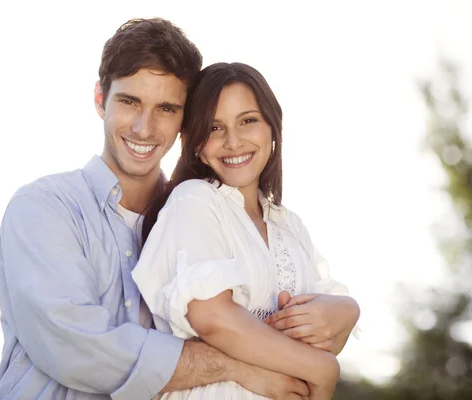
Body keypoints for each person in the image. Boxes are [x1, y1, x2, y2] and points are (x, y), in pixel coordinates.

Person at [0, 18, 312, 400]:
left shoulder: (201, 219)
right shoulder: (43, 209)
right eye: (130, 102)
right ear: (100, 100)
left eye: (166, 108)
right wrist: (238, 366)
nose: (145, 128)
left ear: (185, 122)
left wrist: (340, 311)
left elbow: (265, 320)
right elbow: (76, 347)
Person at [132, 62, 361, 399]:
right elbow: (211, 316)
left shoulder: (289, 224)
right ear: (196, 143)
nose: (233, 142)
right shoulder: (195, 199)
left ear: (272, 127)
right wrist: (321, 369)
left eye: (248, 121)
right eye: (215, 127)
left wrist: (349, 310)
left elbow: (330, 338)